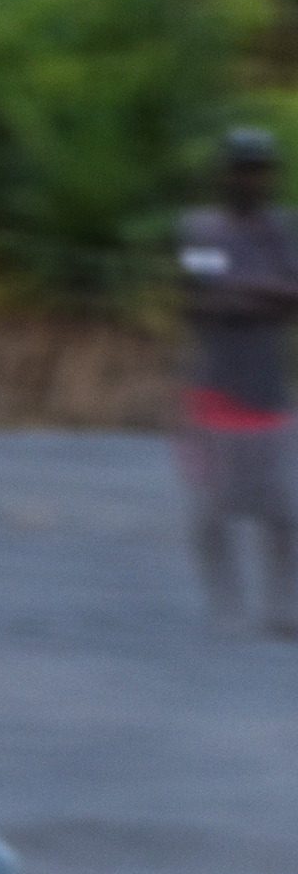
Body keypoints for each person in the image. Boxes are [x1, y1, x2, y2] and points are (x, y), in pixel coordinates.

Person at [177, 124, 298, 635]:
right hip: (214, 387)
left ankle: (281, 606)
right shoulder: (200, 230)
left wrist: (240, 290)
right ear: (225, 173)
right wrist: (263, 293)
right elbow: (198, 297)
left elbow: (289, 296)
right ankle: (225, 606)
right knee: (212, 509)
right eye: (242, 169)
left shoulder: (282, 228)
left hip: (267, 388)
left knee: (282, 508)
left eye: (259, 169)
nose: (251, 179)